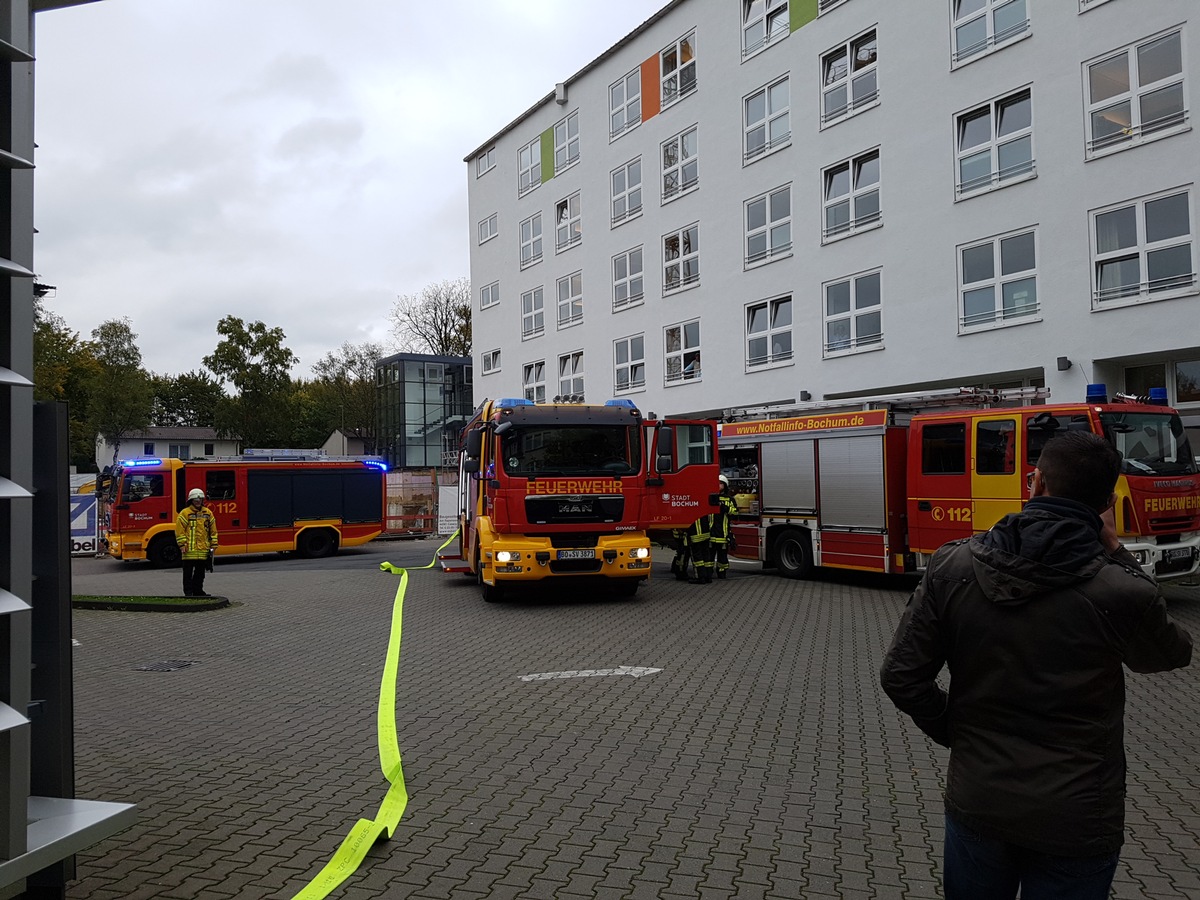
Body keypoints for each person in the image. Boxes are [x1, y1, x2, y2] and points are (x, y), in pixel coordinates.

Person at [880, 431, 1191, 899]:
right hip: (1078, 816)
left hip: (979, 801)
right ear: (1107, 502)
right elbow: (1168, 656)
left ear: (1035, 482)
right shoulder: (1123, 592)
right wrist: (1119, 552)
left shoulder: (953, 567)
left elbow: (901, 677)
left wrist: (956, 730)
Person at [176, 488, 219, 597]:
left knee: (200, 573)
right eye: (195, 499)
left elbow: (213, 530)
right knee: (188, 574)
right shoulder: (185, 513)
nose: (198, 501)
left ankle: (198, 591)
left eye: (200, 499)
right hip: (189, 550)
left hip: (203, 550)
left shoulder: (208, 513)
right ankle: (188, 593)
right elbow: (180, 530)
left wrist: (214, 544)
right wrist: (182, 544)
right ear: (191, 500)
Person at [710, 474, 737, 579]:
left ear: (725, 486)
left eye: (721, 483)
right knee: (709, 556)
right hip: (711, 534)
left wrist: (725, 508)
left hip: (723, 533)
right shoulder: (710, 497)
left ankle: (722, 573)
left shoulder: (729, 499)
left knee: (722, 556)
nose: (718, 485)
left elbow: (735, 512)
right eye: (717, 483)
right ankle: (708, 572)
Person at [686, 513, 713, 584]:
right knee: (706, 557)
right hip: (706, 533)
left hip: (695, 536)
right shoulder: (702, 506)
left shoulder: (691, 507)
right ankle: (708, 577)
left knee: (697, 559)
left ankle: (700, 577)